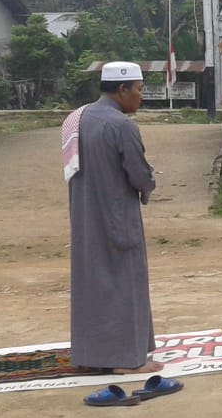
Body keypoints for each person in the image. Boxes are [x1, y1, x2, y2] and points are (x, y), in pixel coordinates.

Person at [66, 61, 162, 374]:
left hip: (83, 217)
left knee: (91, 283)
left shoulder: (75, 120)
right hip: (118, 218)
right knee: (125, 284)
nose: (141, 96)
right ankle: (126, 360)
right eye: (138, 90)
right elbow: (138, 175)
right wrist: (149, 185)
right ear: (122, 89)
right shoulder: (122, 126)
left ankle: (91, 354)